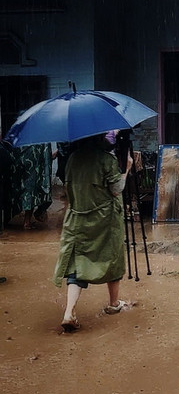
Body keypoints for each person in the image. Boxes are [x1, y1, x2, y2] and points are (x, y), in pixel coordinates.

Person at [54, 133, 132, 333]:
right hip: (105, 218)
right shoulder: (106, 159)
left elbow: (67, 186)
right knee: (113, 258)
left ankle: (69, 312)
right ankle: (114, 304)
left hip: (78, 217)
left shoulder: (73, 158)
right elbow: (116, 189)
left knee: (77, 266)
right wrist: (127, 169)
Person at [16, 142, 53, 229]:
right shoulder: (42, 141)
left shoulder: (23, 139)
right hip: (33, 171)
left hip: (24, 168)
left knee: (28, 193)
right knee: (31, 194)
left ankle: (27, 219)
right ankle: (27, 221)